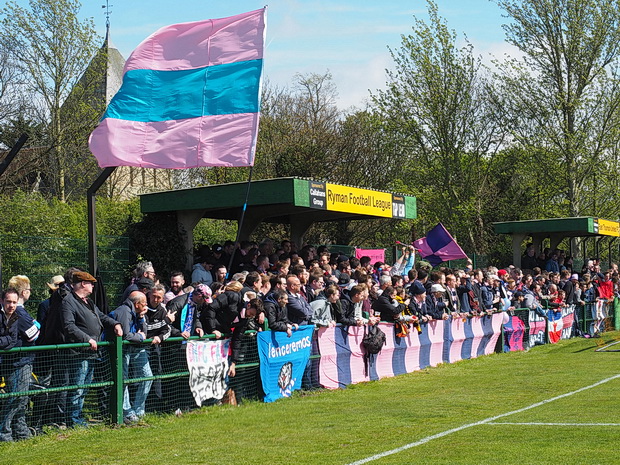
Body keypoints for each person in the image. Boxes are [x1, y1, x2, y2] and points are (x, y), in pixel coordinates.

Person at [61, 271, 123, 427]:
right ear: (83, 284)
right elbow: (69, 326)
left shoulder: (88, 302)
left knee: (85, 386)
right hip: (79, 353)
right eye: (91, 283)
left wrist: (115, 323)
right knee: (78, 387)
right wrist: (86, 339)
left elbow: (101, 316)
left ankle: (77, 417)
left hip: (92, 353)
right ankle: (73, 420)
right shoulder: (68, 301)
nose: (93, 286)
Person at [110, 291, 153, 424]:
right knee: (124, 380)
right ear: (137, 304)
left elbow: (144, 332)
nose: (146, 305)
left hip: (135, 348)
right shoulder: (124, 312)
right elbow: (126, 335)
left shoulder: (135, 312)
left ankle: (138, 410)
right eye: (144, 303)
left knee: (147, 376)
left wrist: (141, 318)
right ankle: (127, 411)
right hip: (122, 350)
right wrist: (139, 337)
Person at [0, 288, 33, 442]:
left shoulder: (17, 317)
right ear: (2, 301)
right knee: (15, 397)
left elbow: (12, 340)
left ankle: (20, 431)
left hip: (21, 361)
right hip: (10, 363)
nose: (11, 305)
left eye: (14, 302)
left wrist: (6, 341)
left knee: (20, 398)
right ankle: (5, 432)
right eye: (8, 302)